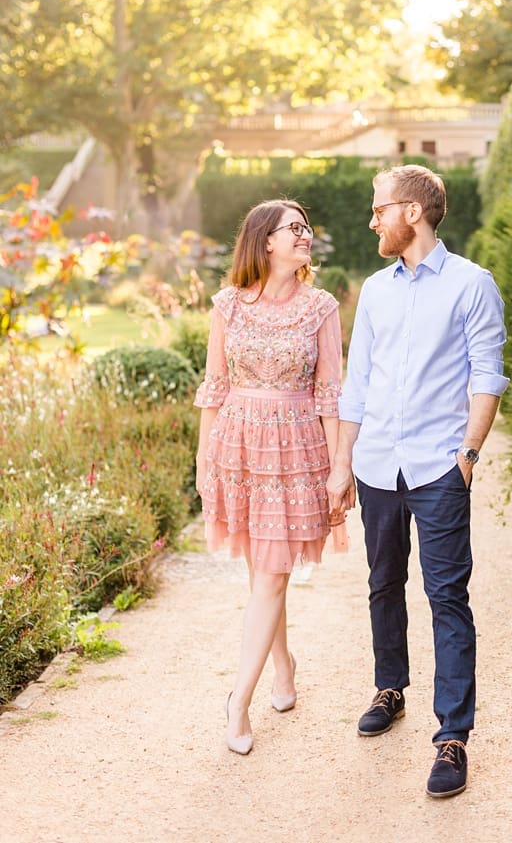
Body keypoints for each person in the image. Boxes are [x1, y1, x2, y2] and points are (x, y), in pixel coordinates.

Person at [329, 164, 507, 800]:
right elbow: (358, 384)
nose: (372, 220)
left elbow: (487, 374)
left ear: (412, 211)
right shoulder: (375, 291)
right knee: (383, 584)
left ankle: (452, 736)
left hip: (438, 465)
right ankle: (390, 687)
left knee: (447, 597)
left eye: (380, 209)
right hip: (377, 462)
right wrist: (341, 465)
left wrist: (468, 454)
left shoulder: (472, 284)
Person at [194, 199, 346, 756]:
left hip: (298, 449)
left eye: (307, 228)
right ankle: (284, 665)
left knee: (273, 575)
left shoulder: (320, 308)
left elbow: (331, 393)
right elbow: (213, 387)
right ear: (265, 241)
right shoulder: (228, 306)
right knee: (264, 569)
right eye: (295, 229)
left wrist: (337, 470)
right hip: (238, 446)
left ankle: (238, 698)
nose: (306, 236)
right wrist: (203, 460)